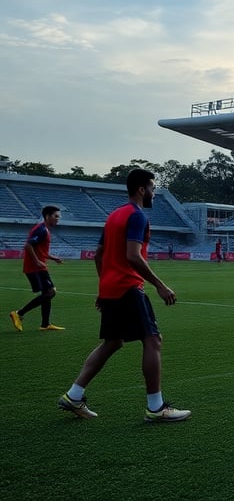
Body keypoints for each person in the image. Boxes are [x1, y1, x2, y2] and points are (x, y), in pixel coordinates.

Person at [57, 168, 190, 421]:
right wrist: (160, 285)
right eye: (152, 188)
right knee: (153, 341)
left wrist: (103, 286)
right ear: (142, 189)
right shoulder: (137, 216)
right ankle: (156, 408)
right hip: (128, 287)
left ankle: (73, 396)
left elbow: (99, 254)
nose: (153, 193)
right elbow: (132, 255)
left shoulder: (114, 216)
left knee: (113, 342)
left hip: (110, 288)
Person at [9, 205, 65, 332]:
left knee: (47, 292)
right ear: (47, 216)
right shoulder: (41, 229)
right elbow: (28, 246)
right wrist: (37, 261)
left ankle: (45, 324)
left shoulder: (44, 229)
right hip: (35, 268)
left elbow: (39, 249)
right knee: (51, 292)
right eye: (56, 216)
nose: (58, 219)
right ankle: (19, 313)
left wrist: (52, 257)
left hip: (38, 266)